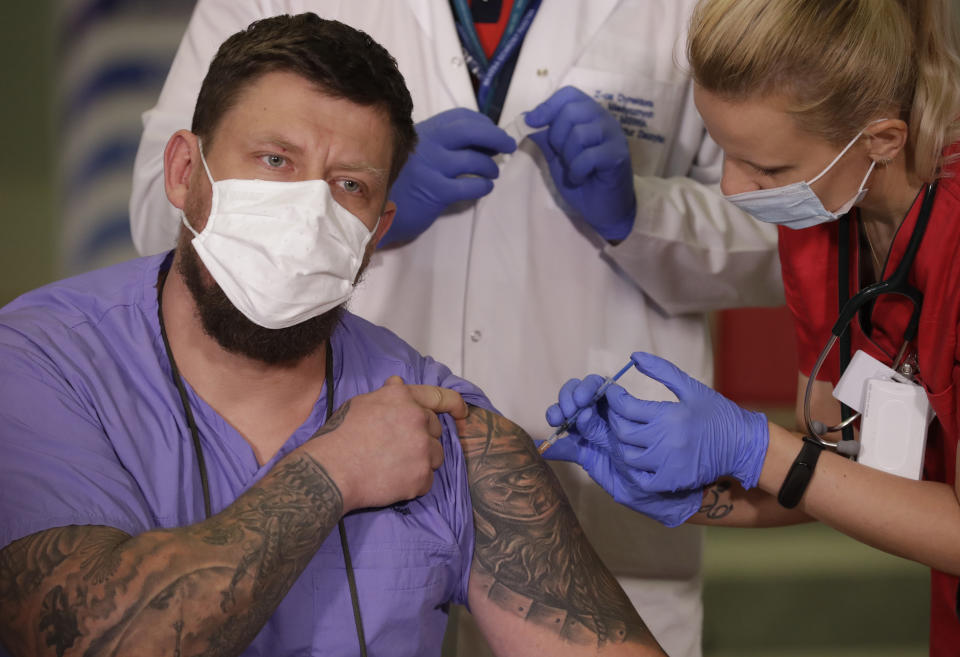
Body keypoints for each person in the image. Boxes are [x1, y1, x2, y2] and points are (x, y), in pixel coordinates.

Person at [0, 14, 669, 657]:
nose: (308, 209)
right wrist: (332, 471)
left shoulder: (439, 418)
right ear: (183, 172)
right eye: (274, 160)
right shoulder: (44, 361)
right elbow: (90, 641)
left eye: (349, 184)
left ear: (376, 233)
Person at [128, 4, 784, 655]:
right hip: (349, 475)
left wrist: (638, 215)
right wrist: (347, 201)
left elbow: (796, 227)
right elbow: (162, 203)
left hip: (597, 510)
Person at [545, 0, 960, 654]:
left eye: (768, 170)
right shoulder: (820, 229)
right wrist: (693, 495)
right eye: (725, 154)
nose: (734, 191)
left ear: (882, 139)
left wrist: (756, 446)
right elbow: (840, 469)